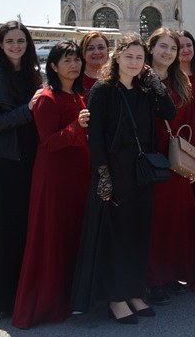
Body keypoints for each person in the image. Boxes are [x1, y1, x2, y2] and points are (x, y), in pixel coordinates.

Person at [71, 34, 177, 324]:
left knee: (137, 233)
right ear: (117, 57)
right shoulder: (103, 91)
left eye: (139, 57)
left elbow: (169, 111)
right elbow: (96, 139)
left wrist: (154, 79)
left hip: (140, 172)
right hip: (113, 172)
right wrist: (103, 174)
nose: (134, 62)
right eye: (129, 56)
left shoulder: (144, 90)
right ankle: (116, 298)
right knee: (115, 236)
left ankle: (133, 292)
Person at [12, 40, 89, 329]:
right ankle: (49, 302)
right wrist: (75, 127)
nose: (74, 65)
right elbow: (49, 142)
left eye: (76, 59)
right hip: (55, 177)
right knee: (53, 237)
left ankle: (70, 298)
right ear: (54, 66)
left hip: (79, 175)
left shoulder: (78, 96)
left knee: (72, 235)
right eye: (67, 60)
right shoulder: (47, 98)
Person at [0, 21, 44, 315]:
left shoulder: (33, 74)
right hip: (4, 162)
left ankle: (28, 291)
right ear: (0, 45)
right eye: (10, 41)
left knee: (29, 226)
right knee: (5, 228)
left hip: (31, 158)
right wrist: (27, 110)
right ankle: (3, 298)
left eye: (21, 41)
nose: (16, 46)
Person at [145, 28, 195, 305]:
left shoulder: (182, 81)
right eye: (163, 47)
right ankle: (153, 280)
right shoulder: (141, 79)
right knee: (155, 222)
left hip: (177, 161)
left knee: (176, 221)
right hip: (152, 160)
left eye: (173, 48)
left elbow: (191, 123)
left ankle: (170, 274)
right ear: (152, 48)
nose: (168, 52)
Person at [177, 29, 195, 141]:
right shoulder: (170, 80)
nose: (186, 50)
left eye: (189, 45)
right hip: (182, 138)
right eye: (181, 47)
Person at [79, 31, 110, 97]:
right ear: (83, 53)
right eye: (90, 48)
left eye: (101, 47)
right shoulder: (75, 79)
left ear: (107, 51)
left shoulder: (115, 77)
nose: (96, 52)